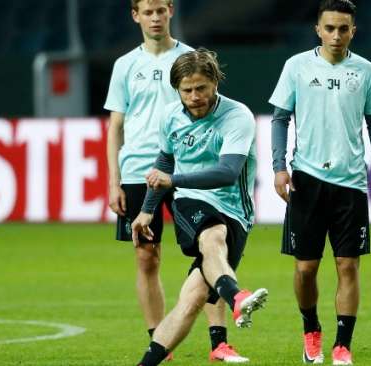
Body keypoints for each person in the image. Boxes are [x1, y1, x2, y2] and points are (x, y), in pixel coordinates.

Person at [105, 0, 248, 362]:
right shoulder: (125, 65)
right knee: (147, 258)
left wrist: (173, 176)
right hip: (143, 171)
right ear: (135, 15)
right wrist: (114, 181)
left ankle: (219, 342)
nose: (155, 17)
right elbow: (116, 126)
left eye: (160, 10)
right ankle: (160, 342)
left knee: (208, 246)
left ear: (171, 10)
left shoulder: (190, 61)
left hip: (187, 172)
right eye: (147, 11)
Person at [268, 0, 371, 364]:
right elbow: (279, 118)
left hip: (350, 183)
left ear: (353, 31)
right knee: (305, 269)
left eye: (343, 29)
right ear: (318, 30)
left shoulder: (365, 71)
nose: (336, 35)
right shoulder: (297, 67)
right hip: (307, 179)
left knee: (347, 266)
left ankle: (342, 346)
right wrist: (279, 167)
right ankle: (311, 329)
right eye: (330, 28)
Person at [131, 48, 268, 366]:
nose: (194, 96)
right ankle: (236, 297)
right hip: (191, 200)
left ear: (215, 83)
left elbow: (227, 173)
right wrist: (148, 208)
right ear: (177, 90)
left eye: (201, 88)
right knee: (212, 235)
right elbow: (164, 158)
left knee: (191, 300)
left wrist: (172, 180)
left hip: (236, 210)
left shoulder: (237, 117)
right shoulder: (170, 116)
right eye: (187, 90)